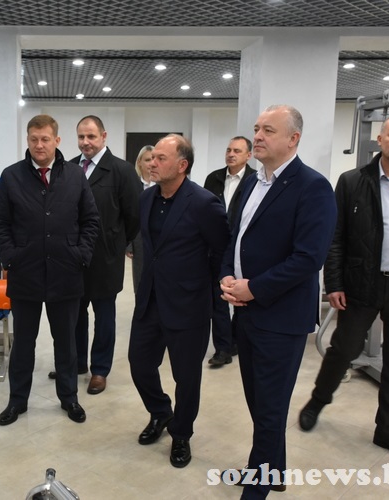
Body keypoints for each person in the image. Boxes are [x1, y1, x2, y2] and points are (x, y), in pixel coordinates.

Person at [298, 113, 389, 465]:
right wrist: (333, 282)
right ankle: (318, 400)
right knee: (343, 349)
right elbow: (336, 237)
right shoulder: (352, 181)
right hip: (362, 281)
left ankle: (388, 429)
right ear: (380, 139)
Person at [219, 105, 336, 498]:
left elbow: (308, 258)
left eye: (268, 130)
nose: (258, 136)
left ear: (293, 138)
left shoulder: (312, 187)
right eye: (257, 128)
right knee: (259, 403)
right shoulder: (253, 183)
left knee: (269, 410)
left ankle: (257, 488)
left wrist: (254, 288)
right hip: (247, 313)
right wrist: (226, 275)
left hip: (281, 319)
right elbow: (235, 238)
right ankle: (274, 472)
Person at [0, 114, 99, 426]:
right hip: (25, 272)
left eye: (45, 139)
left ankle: (69, 398)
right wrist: (11, 256)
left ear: (56, 141)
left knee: (66, 343)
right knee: (23, 343)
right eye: (34, 139)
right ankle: (17, 401)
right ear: (28, 140)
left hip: (66, 272)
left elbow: (91, 220)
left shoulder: (75, 176)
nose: (39, 145)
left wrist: (81, 255)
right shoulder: (12, 176)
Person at [128, 134, 230, 468]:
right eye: (151, 158)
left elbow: (221, 252)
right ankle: (161, 412)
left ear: (182, 165)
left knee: (186, 377)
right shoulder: (146, 199)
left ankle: (181, 433)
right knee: (139, 364)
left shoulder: (204, 203)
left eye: (160, 158)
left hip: (188, 304)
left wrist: (211, 294)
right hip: (150, 299)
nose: (152, 163)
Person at [46, 116, 140, 395]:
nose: (86, 142)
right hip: (72, 257)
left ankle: (100, 370)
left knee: (104, 316)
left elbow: (134, 217)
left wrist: (115, 242)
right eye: (81, 137)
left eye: (91, 136)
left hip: (105, 258)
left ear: (104, 136)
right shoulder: (67, 167)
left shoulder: (121, 171)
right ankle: (75, 364)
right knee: (73, 314)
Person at [204, 136, 256, 367]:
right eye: (228, 150)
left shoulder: (255, 180)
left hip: (243, 247)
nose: (231, 154)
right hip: (217, 246)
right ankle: (223, 349)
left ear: (248, 155)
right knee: (219, 299)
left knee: (243, 299)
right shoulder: (214, 178)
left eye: (237, 151)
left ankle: (236, 341)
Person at [126, 145, 155, 294]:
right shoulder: (132, 185)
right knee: (140, 282)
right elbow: (127, 215)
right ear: (139, 162)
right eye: (148, 160)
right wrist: (129, 244)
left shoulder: (163, 185)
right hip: (138, 241)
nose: (152, 163)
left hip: (160, 240)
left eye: (154, 159)